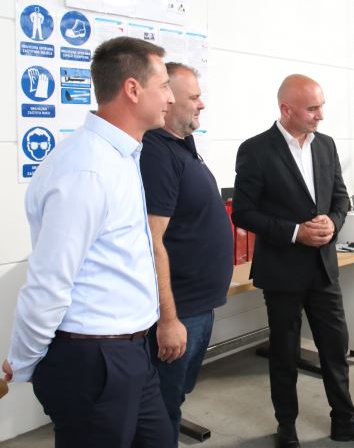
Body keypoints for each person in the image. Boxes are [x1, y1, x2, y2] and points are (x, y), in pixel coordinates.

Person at [2, 36, 175, 448]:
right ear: (132, 89)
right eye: (164, 85)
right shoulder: (86, 170)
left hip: (133, 352)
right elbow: (49, 281)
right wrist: (23, 362)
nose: (170, 97)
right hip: (94, 362)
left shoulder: (121, 156)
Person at [232, 74, 354, 448]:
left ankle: (344, 421)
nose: (321, 115)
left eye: (322, 106)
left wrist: (332, 223)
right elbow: (243, 212)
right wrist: (295, 232)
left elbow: (341, 199)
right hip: (282, 271)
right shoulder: (256, 150)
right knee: (285, 353)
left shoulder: (326, 145)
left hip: (323, 267)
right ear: (286, 109)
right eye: (312, 108)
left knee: (335, 347)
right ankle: (286, 427)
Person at [140, 63, 234, 446]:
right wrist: (168, 319)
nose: (202, 104)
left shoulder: (182, 148)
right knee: (161, 408)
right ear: (167, 100)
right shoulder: (156, 154)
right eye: (193, 97)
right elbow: (151, 241)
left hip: (197, 307)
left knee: (174, 397)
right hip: (179, 311)